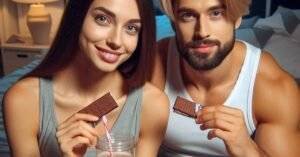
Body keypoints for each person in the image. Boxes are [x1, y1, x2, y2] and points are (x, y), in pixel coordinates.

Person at [3, 0, 169, 156]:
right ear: (77, 17)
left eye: (131, 28)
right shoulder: (23, 100)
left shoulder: (153, 104)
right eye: (102, 19)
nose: (116, 41)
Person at [151, 0, 300, 156]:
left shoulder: (273, 88)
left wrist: (247, 150)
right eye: (188, 15)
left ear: (237, 19)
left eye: (216, 13)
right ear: (174, 22)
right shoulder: (154, 66)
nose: (202, 32)